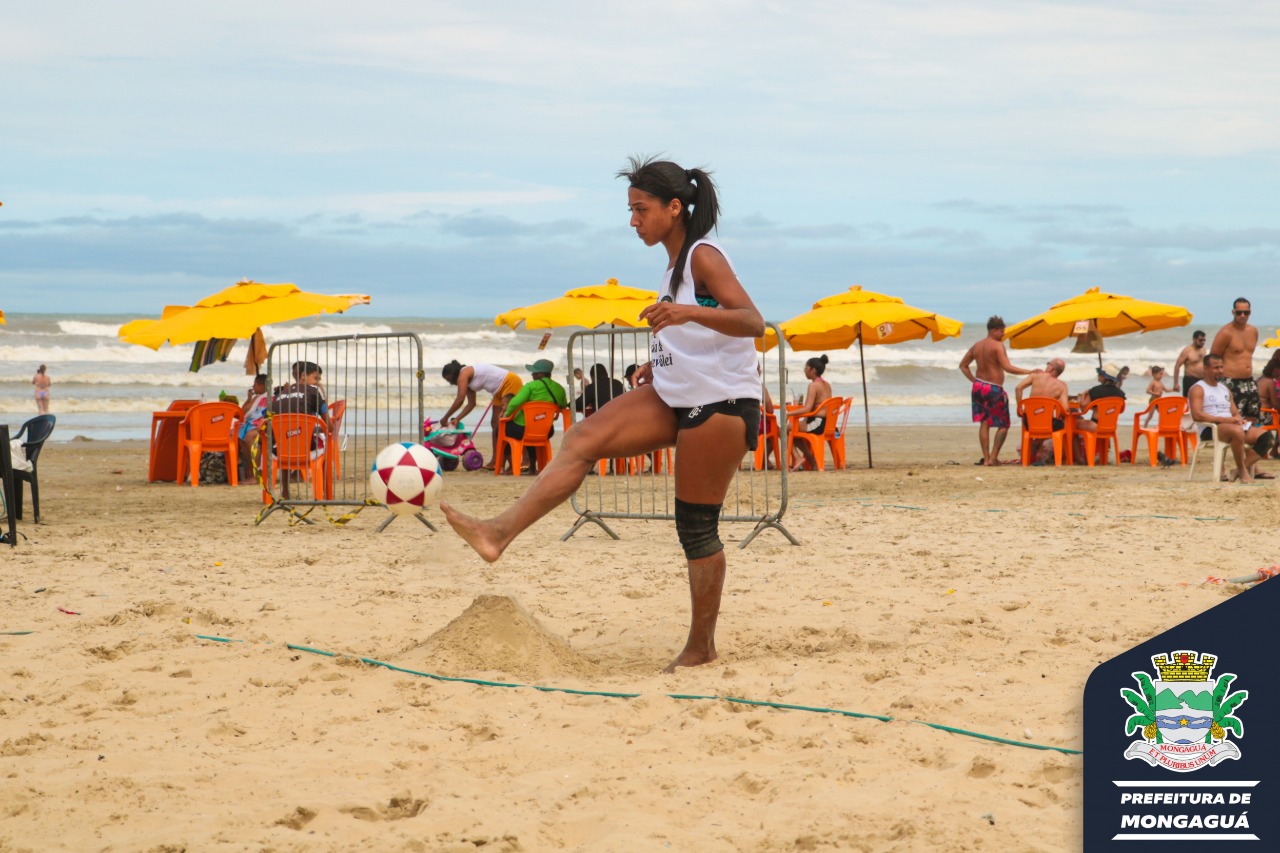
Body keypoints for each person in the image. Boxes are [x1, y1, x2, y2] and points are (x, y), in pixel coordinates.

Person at [442, 155, 764, 672]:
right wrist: (659, 365)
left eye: (641, 209)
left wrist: (683, 312)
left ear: (675, 208)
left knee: (696, 526)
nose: (632, 220)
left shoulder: (704, 255)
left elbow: (752, 321)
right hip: (677, 395)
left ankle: (701, 647)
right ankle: (496, 533)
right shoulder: (674, 264)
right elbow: (698, 340)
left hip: (723, 404)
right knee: (582, 438)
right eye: (630, 209)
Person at [958, 316, 1040, 466]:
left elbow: (963, 365)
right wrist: (1029, 371)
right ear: (994, 330)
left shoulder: (976, 345)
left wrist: (974, 381)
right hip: (994, 388)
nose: (1003, 335)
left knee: (984, 423)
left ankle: (986, 459)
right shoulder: (997, 346)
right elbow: (1008, 367)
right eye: (1002, 331)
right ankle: (994, 458)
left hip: (979, 387)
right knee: (1004, 424)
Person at [1189, 353, 1275, 483]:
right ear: (1205, 368)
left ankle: (1239, 469)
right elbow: (1197, 415)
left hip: (1231, 426)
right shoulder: (1198, 388)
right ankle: (1242, 472)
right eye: (1216, 368)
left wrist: (1239, 420)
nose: (1220, 371)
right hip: (1211, 428)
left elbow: (1235, 412)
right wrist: (1225, 420)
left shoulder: (1224, 388)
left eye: (1221, 367)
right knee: (1237, 431)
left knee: (1267, 438)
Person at [440, 361, 523, 469]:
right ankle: (496, 461)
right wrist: (458, 418)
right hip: (498, 391)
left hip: (510, 382)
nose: (451, 383)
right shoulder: (467, 379)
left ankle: (522, 460)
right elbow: (471, 404)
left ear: (451, 374)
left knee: (511, 423)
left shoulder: (463, 375)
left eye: (448, 379)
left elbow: (460, 399)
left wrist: (446, 417)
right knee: (495, 424)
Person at [501, 359, 568, 474]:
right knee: (532, 430)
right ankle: (532, 468)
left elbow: (514, 403)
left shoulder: (531, 386)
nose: (532, 375)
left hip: (524, 429)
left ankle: (512, 466)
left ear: (541, 374)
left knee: (501, 430)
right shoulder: (559, 389)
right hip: (547, 430)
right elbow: (562, 405)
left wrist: (506, 415)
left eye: (535, 373)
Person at [1210, 297, 1260, 422]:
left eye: (1246, 312)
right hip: (1230, 382)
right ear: (1233, 312)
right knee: (1233, 419)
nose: (1242, 315)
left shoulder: (1253, 331)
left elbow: (1247, 355)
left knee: (1253, 416)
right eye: (1239, 312)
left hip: (1249, 382)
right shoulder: (1226, 332)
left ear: (1250, 312)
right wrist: (1212, 385)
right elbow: (1213, 359)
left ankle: (1248, 441)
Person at [1014, 358, 1069, 463]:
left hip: (1029, 422)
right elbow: (1065, 409)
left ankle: (1035, 445)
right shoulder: (1062, 386)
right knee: (1062, 425)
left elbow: (1018, 388)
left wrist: (1019, 408)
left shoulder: (1035, 376)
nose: (1046, 365)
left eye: (1048, 363)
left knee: (1039, 427)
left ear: (1051, 368)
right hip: (1048, 424)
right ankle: (1041, 447)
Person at [787, 355, 833, 471]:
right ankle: (810, 461)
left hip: (818, 423)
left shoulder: (813, 386)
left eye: (806, 368)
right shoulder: (826, 384)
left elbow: (807, 409)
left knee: (785, 429)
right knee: (792, 430)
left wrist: (788, 414)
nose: (804, 370)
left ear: (813, 370)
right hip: (827, 423)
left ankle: (800, 458)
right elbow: (813, 408)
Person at [237, 374, 269, 480]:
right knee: (241, 436)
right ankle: (251, 469)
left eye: (254, 385)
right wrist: (249, 398)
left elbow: (244, 410)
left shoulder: (259, 398)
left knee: (248, 436)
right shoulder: (261, 398)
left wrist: (249, 399)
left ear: (260, 385)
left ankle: (255, 473)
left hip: (262, 427)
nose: (253, 387)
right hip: (259, 426)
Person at [1258, 351, 1280, 459]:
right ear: (1274, 370)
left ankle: (1273, 449)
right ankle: (1275, 449)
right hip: (1265, 415)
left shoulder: (1260, 379)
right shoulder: (1271, 382)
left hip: (1257, 414)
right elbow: (1275, 404)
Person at [1172, 330, 1207, 396]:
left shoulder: (1203, 349)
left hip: (1202, 379)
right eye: (1200, 340)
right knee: (1189, 401)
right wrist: (1176, 383)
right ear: (1194, 339)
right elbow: (1177, 366)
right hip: (1190, 379)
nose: (1202, 342)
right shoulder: (1187, 350)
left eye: (1204, 340)